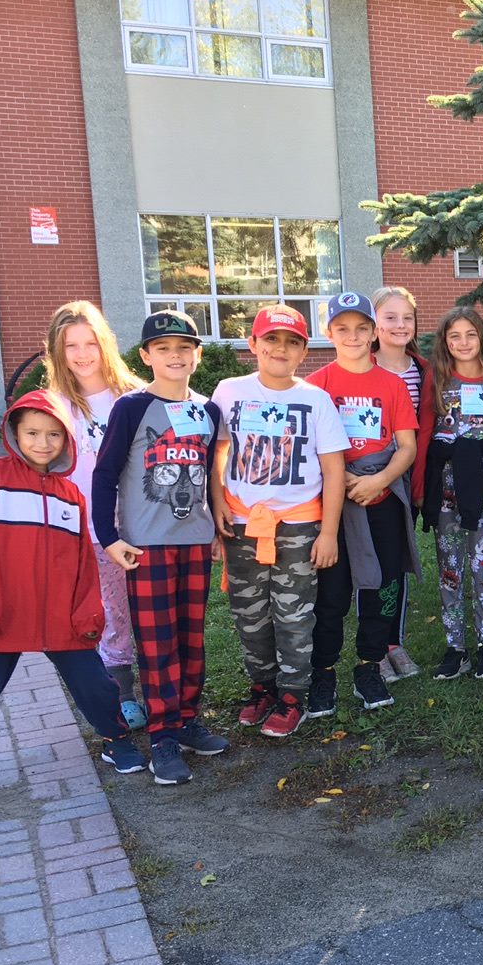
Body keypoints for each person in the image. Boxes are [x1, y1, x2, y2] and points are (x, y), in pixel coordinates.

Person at [0, 391, 144, 803]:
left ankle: (115, 740)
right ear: (15, 433)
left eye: (53, 434)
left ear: (66, 441)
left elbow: (83, 562)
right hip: (2, 613)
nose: (42, 443)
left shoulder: (71, 495)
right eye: (32, 432)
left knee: (96, 685)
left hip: (61, 617)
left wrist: (87, 614)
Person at [91, 310, 228, 785]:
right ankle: (163, 737)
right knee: (157, 643)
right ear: (146, 356)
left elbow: (210, 475)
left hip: (194, 541)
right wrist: (109, 538)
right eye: (164, 348)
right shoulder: (131, 408)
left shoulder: (209, 410)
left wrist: (214, 531)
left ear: (197, 355)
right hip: (146, 546)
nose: (176, 356)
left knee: (191, 637)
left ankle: (187, 719)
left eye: (184, 348)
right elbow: (105, 474)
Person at [209, 305, 348, 738]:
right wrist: (217, 511)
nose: (280, 349)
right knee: (249, 614)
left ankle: (293, 694)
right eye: (271, 339)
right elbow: (215, 456)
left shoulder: (315, 399)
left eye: (291, 341)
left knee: (293, 613)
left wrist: (328, 531)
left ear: (304, 350)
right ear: (253, 344)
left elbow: (334, 470)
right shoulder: (229, 391)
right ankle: (262, 687)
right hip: (242, 522)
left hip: (299, 524)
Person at [305, 291, 420, 717]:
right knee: (331, 591)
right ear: (329, 333)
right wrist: (345, 480)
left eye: (361, 328)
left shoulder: (390, 385)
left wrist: (380, 480)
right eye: (342, 328)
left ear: (373, 333)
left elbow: (406, 445)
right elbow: (311, 448)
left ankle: (369, 665)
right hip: (334, 500)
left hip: (382, 498)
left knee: (383, 584)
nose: (352, 336)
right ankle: (324, 670)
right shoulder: (316, 386)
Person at [40, 300, 146, 727]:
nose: (82, 354)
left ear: (105, 345)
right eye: (71, 346)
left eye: (90, 343)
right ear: (57, 351)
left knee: (151, 609)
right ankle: (122, 692)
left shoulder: (134, 395)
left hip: (140, 521)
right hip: (86, 528)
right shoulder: (53, 404)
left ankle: (167, 687)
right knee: (111, 611)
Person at [413, 307, 483, 680]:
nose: (463, 343)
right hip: (445, 481)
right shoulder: (437, 377)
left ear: (482, 337)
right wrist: (421, 487)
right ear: (445, 342)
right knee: (450, 566)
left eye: (470, 334)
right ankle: (456, 646)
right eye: (454, 336)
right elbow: (425, 431)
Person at [372, 285, 428, 680]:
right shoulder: (360, 367)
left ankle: (393, 642)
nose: (399, 325)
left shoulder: (422, 370)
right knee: (367, 563)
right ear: (374, 323)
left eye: (406, 318)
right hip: (366, 481)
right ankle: (371, 647)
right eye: (390, 317)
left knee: (396, 562)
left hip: (406, 479)